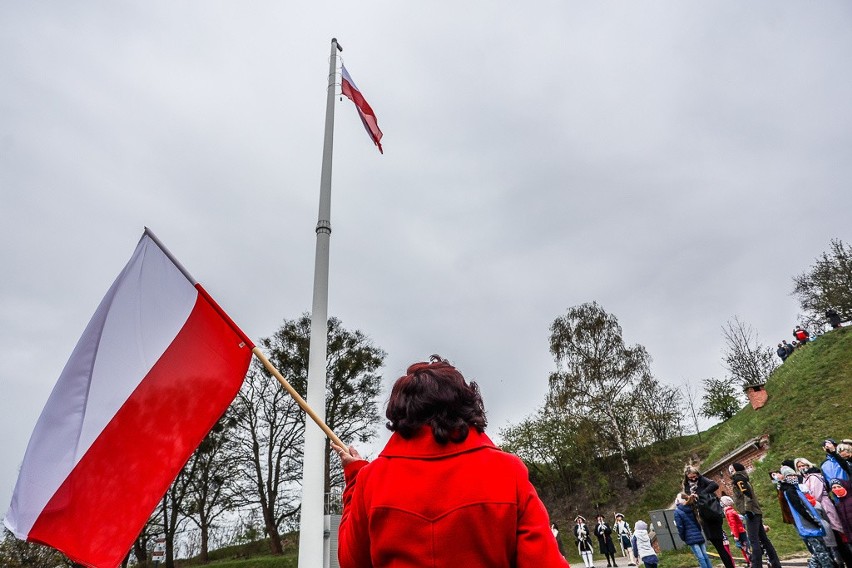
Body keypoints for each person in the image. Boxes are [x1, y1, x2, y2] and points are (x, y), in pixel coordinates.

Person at [333, 356, 568, 567]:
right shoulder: (508, 471)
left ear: (401, 412)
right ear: (465, 404)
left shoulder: (371, 480)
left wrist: (355, 477)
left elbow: (352, 561)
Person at [796, 456, 852, 568]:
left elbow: (816, 494)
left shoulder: (813, 476)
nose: (802, 468)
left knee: (836, 537)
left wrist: (809, 501)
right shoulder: (805, 478)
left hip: (825, 508)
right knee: (833, 541)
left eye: (803, 465)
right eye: (799, 466)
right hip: (820, 509)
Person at [777, 466, 833, 568]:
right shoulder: (789, 490)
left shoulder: (795, 488)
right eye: (790, 475)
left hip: (810, 521)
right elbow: (799, 507)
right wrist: (812, 519)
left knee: (820, 552)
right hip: (806, 524)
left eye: (793, 475)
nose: (793, 477)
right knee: (821, 552)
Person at [730, 462, 783, 568]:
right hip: (756, 512)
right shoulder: (743, 478)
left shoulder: (738, 479)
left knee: (754, 540)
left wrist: (748, 511)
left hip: (751, 513)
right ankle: (775, 563)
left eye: (732, 469)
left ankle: (756, 565)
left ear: (736, 470)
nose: (730, 471)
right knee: (764, 539)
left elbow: (747, 495)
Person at [683, 465, 737, 568]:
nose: (694, 479)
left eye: (695, 476)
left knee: (720, 546)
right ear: (687, 477)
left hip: (712, 514)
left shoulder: (702, 480)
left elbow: (714, 485)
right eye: (691, 478)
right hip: (703, 517)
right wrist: (691, 498)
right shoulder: (687, 486)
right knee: (718, 545)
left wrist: (701, 494)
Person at [673, 492, 713, 568]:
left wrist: (682, 537)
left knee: (700, 558)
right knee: (705, 556)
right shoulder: (691, 508)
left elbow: (680, 527)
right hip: (698, 534)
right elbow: (697, 522)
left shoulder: (677, 512)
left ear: (678, 501)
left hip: (689, 536)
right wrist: (698, 531)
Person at [721, 495, 751, 566]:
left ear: (725, 503)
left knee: (745, 548)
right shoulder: (731, 510)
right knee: (745, 548)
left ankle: (751, 562)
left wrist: (736, 535)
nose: (721, 503)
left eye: (721, 502)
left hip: (739, 532)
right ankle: (749, 562)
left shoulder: (729, 512)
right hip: (741, 531)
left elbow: (733, 525)